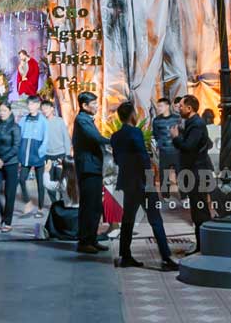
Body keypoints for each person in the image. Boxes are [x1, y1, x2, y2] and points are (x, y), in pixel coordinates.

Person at [110, 101, 178, 271]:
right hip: (142, 182)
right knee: (155, 219)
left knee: (128, 220)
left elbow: (117, 160)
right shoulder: (135, 132)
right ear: (132, 115)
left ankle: (125, 255)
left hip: (128, 182)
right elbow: (143, 158)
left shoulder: (115, 137)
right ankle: (166, 258)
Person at [171, 95, 214, 251]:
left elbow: (189, 147)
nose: (179, 108)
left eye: (181, 106)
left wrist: (176, 138)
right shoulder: (193, 123)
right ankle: (203, 245)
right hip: (195, 172)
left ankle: (206, 246)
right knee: (197, 210)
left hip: (198, 173)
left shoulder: (196, 124)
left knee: (200, 211)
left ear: (189, 108)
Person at [72, 90, 110, 253]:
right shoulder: (82, 120)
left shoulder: (86, 119)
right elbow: (96, 138)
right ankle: (84, 241)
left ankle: (91, 239)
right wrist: (117, 140)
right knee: (88, 205)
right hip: (88, 168)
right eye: (93, 104)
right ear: (84, 105)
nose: (97, 106)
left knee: (94, 205)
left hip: (93, 167)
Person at [0, 101, 21, 232]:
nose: (2, 113)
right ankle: (3, 215)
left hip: (11, 163)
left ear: (10, 112)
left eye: (4, 111)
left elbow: (16, 147)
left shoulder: (15, 127)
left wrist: (3, 159)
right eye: (0, 111)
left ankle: (7, 222)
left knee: (9, 194)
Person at [17, 95, 48, 217]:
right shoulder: (23, 120)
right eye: (28, 104)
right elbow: (19, 136)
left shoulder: (43, 121)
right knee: (21, 179)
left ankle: (40, 208)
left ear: (37, 105)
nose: (30, 106)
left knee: (40, 183)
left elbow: (46, 139)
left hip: (37, 154)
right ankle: (27, 202)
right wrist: (20, 152)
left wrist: (41, 153)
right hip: (25, 154)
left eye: (32, 104)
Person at [40, 99, 70, 202]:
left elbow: (66, 139)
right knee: (48, 180)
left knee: (61, 180)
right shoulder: (41, 123)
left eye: (46, 108)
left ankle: (62, 201)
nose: (44, 110)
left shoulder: (60, 121)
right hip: (47, 156)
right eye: (42, 109)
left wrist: (67, 156)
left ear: (52, 109)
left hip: (60, 155)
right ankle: (54, 203)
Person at [150, 97, 181, 196]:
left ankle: (185, 195)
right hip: (164, 152)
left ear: (167, 106)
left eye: (161, 106)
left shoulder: (177, 118)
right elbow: (156, 134)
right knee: (164, 175)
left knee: (180, 174)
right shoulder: (156, 121)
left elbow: (181, 133)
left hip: (177, 151)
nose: (159, 108)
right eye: (158, 106)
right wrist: (160, 146)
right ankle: (165, 195)